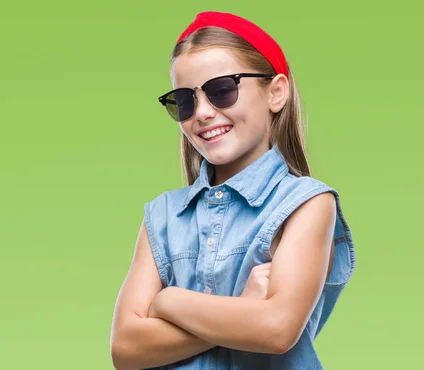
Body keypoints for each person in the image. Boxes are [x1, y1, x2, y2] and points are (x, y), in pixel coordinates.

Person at [109, 11, 356, 370]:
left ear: (276, 92)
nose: (203, 113)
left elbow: (276, 329)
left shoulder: (307, 204)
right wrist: (243, 306)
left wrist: (170, 302)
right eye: (185, 100)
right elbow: (126, 347)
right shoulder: (162, 216)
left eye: (222, 90)